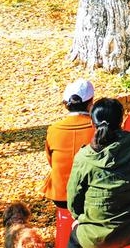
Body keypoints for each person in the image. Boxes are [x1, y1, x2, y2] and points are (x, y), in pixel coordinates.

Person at [67, 98, 130, 248]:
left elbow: (73, 201)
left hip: (95, 236)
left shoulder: (84, 158)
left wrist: (80, 217)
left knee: (74, 240)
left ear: (92, 124)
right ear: (121, 121)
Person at [43, 79, 95, 209]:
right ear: (91, 103)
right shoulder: (98, 129)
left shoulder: (54, 129)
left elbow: (51, 160)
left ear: (66, 104)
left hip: (60, 195)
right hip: (91, 194)